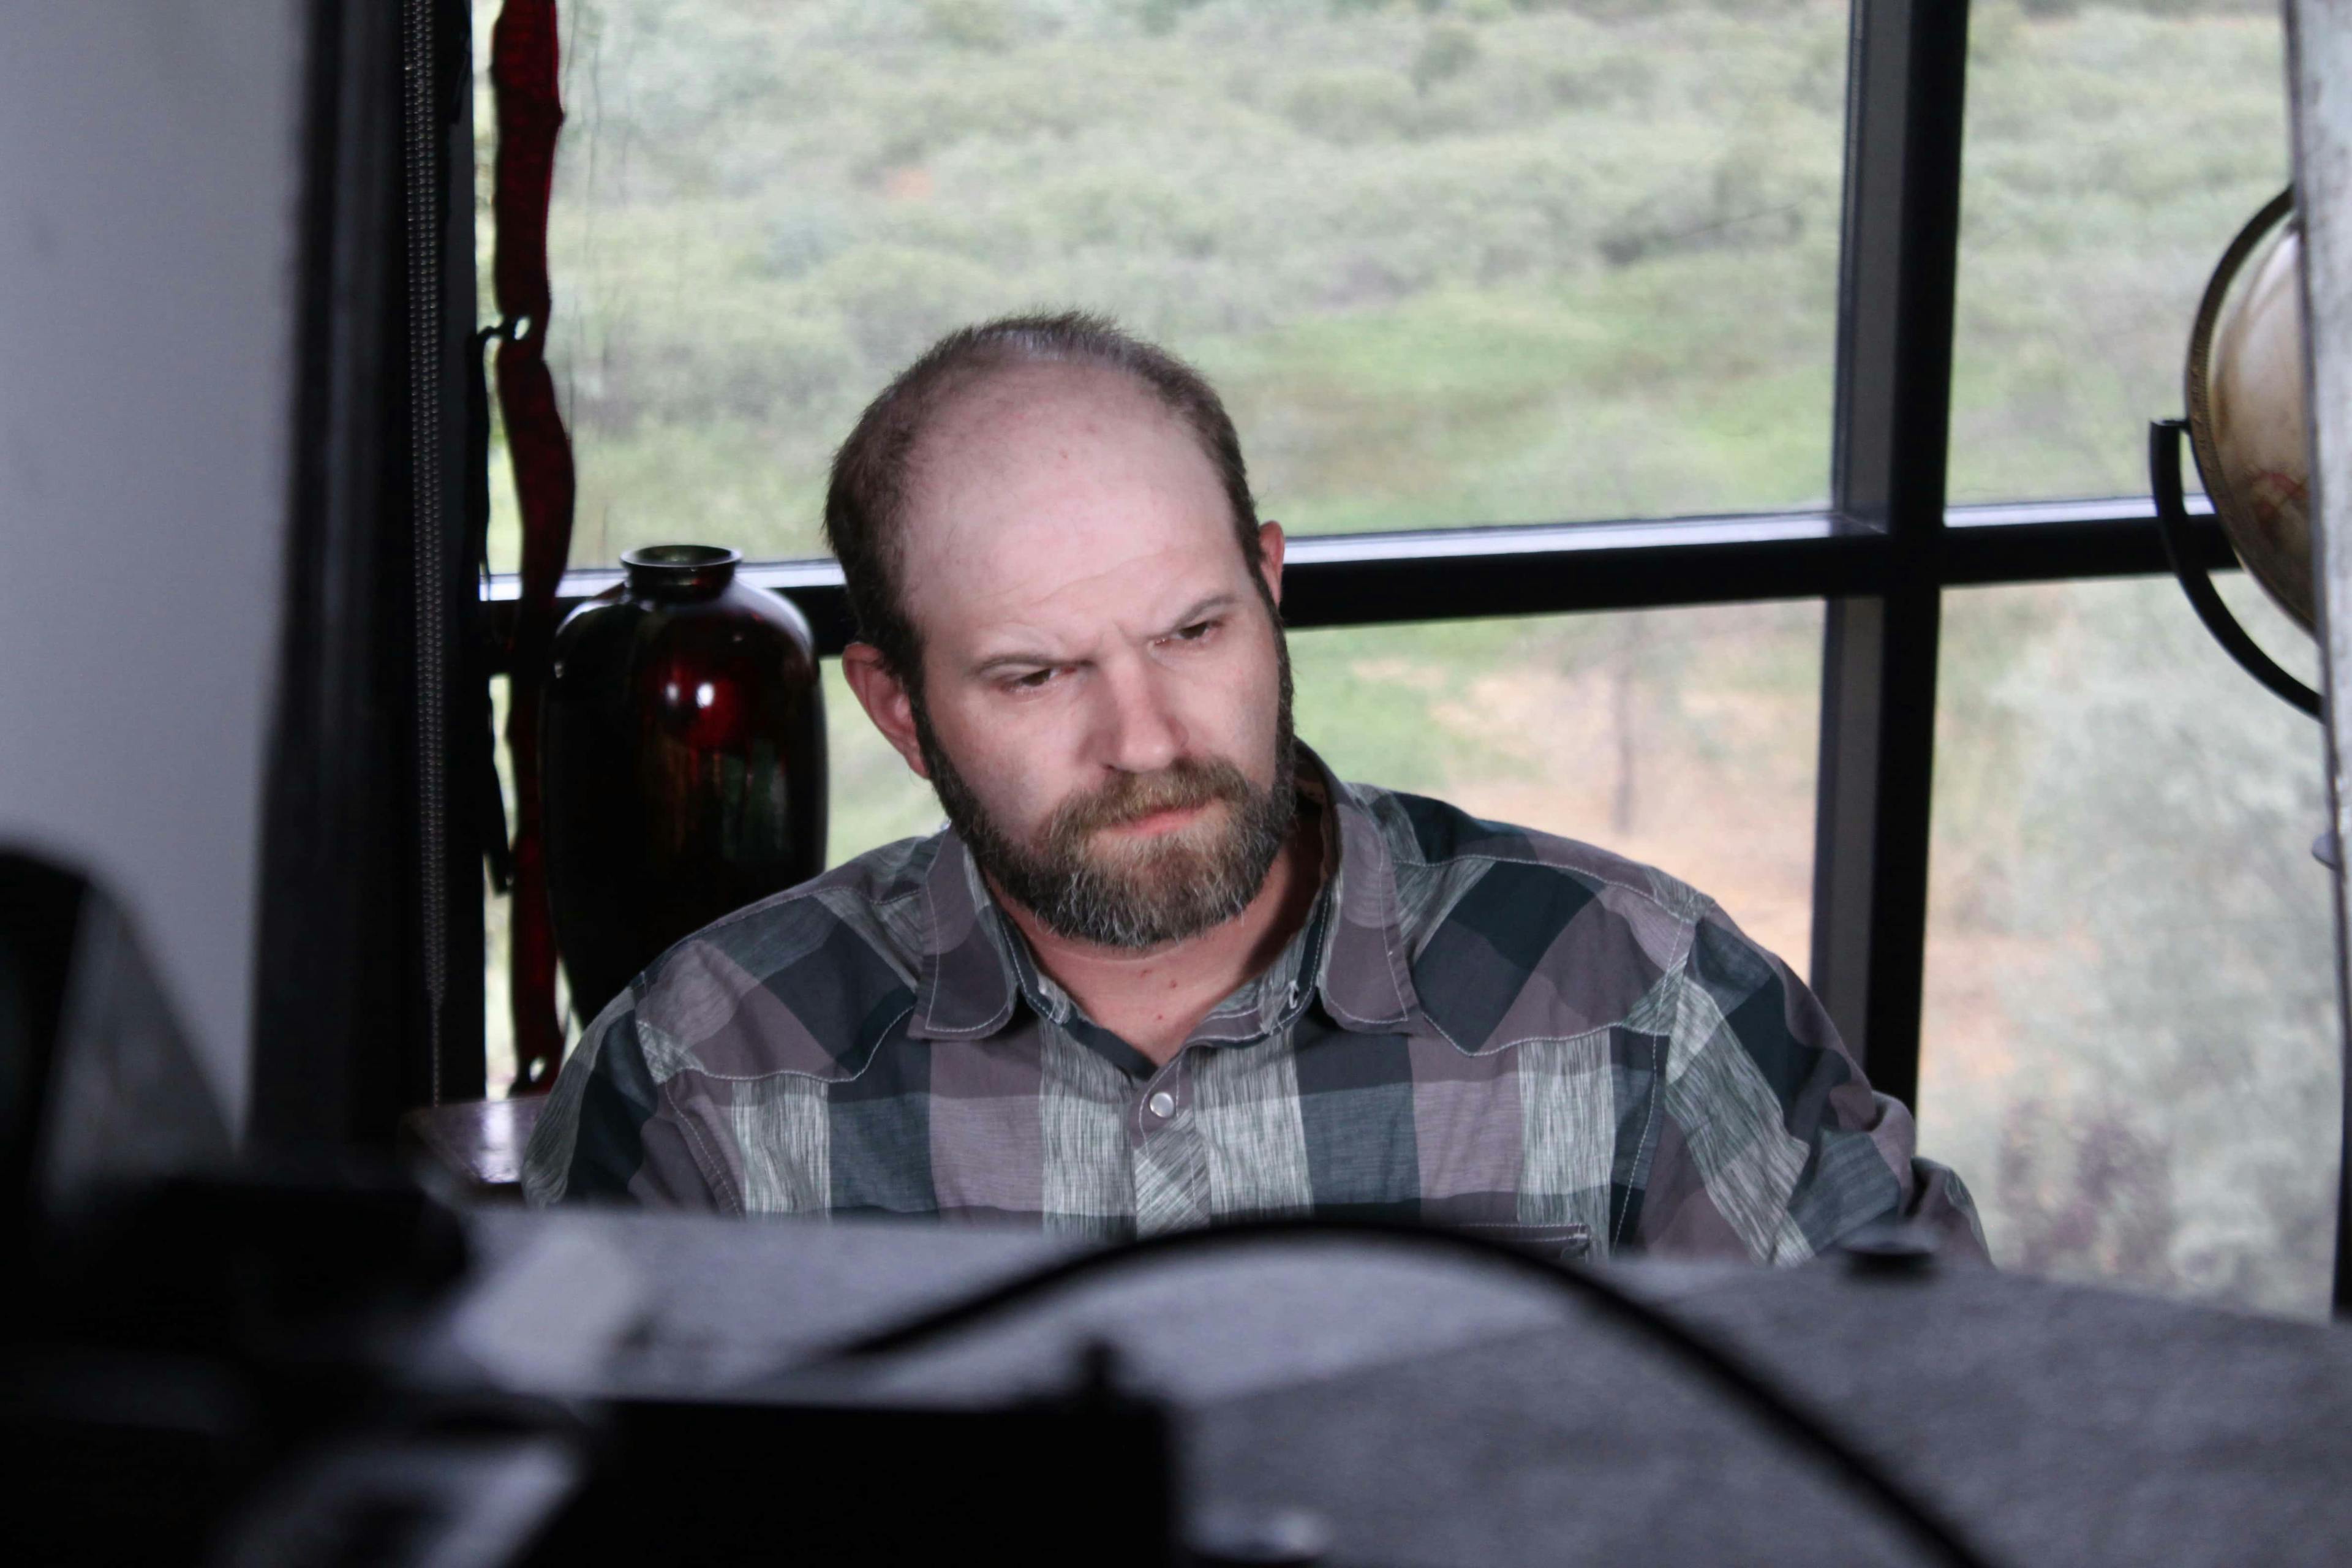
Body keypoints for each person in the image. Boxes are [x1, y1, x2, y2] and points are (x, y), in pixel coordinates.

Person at [522, 312, 1986, 1264]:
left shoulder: (1645, 1001)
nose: (1147, 737)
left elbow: (1949, 1433)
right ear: (896, 705)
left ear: (1271, 587)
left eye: (1195, 630)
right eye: (1037, 674)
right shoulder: (704, 1076)